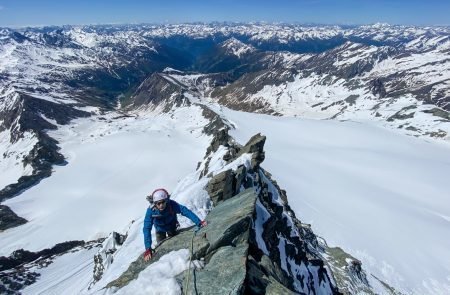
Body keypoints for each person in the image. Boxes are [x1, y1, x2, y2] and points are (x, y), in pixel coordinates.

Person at [143, 188, 207, 261]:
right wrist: (148, 248)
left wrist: (199, 222)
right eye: (158, 203)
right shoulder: (151, 211)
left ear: (166, 200)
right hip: (160, 230)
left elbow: (184, 211)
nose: (161, 205)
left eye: (163, 202)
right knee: (161, 247)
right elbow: (146, 228)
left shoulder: (171, 204)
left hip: (171, 226)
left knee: (174, 244)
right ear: (154, 203)